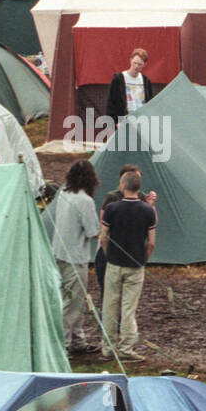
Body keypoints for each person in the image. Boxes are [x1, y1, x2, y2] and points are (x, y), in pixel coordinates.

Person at [99, 168, 155, 361]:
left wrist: (108, 255)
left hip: (114, 264)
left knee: (110, 306)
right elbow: (152, 242)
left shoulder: (112, 208)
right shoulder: (148, 210)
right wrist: (144, 258)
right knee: (128, 308)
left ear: (122, 186)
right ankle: (126, 348)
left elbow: (103, 237)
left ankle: (108, 347)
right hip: (136, 265)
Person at [50, 159, 101, 353]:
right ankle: (63, 346)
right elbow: (92, 231)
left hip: (59, 254)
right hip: (75, 257)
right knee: (72, 304)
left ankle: (78, 340)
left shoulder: (63, 194)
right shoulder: (85, 201)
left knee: (71, 300)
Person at [106, 48, 153, 122]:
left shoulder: (146, 81)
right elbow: (111, 103)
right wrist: (115, 121)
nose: (136, 66)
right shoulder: (118, 79)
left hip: (142, 120)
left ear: (145, 64)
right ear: (130, 60)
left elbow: (150, 103)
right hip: (124, 121)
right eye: (135, 63)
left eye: (140, 64)